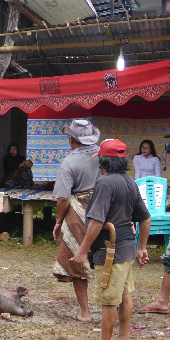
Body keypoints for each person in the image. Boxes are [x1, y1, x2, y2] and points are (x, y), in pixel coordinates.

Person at [70, 139, 151, 340]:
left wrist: (82, 251)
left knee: (109, 299)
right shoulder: (129, 182)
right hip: (126, 248)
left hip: (111, 250)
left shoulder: (105, 184)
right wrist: (141, 247)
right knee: (124, 295)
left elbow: (96, 221)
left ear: (103, 161)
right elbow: (145, 218)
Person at [52, 118, 101, 322]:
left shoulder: (69, 162)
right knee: (111, 259)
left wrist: (58, 221)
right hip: (107, 209)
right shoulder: (103, 156)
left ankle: (85, 312)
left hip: (79, 213)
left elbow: (63, 198)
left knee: (77, 260)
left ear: (72, 139)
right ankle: (114, 307)